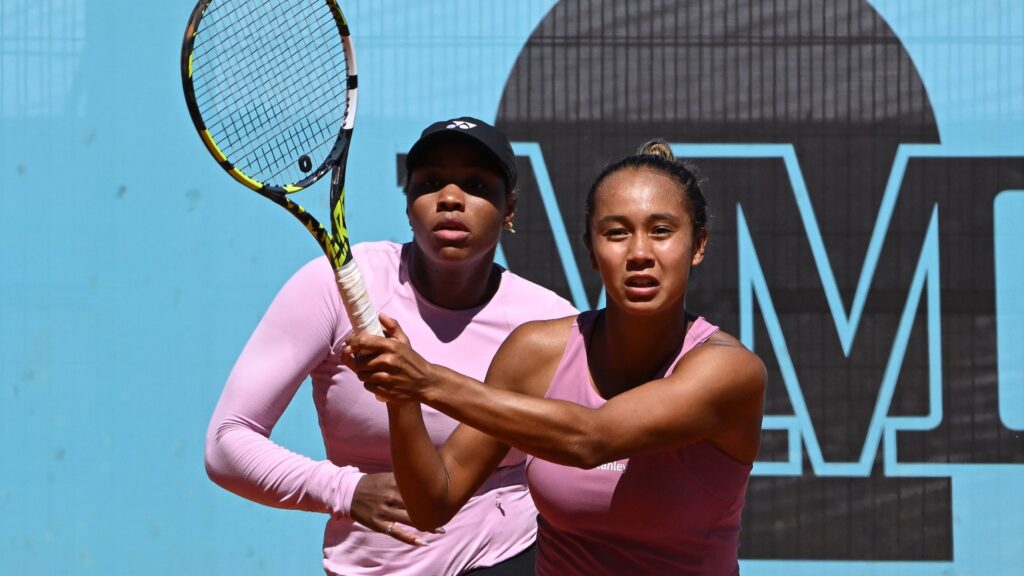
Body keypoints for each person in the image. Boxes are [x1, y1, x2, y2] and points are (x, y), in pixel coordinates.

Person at [345, 140, 767, 575]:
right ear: (591, 249)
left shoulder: (729, 371)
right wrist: (400, 396)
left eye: (661, 231)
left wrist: (427, 381)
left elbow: (590, 439)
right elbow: (433, 503)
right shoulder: (535, 353)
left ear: (697, 245)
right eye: (617, 232)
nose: (640, 253)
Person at [205, 117, 577, 576]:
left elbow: (592, 450)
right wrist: (344, 490)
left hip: (511, 557)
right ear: (408, 204)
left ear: (510, 209)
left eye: (477, 185)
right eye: (431, 182)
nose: (451, 199)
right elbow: (227, 442)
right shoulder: (332, 286)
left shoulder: (550, 319)